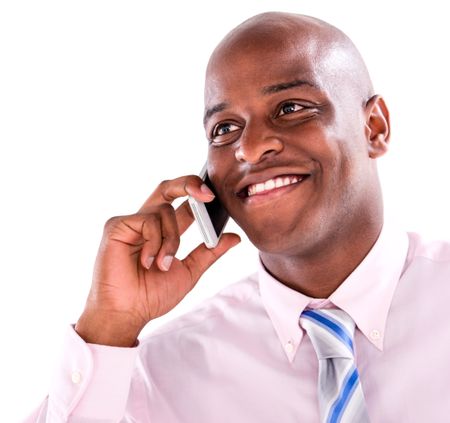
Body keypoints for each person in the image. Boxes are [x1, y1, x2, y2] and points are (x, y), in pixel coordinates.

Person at [26, 11, 450, 423]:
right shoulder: (152, 375)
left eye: (291, 108)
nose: (250, 147)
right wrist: (107, 328)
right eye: (224, 129)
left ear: (374, 128)